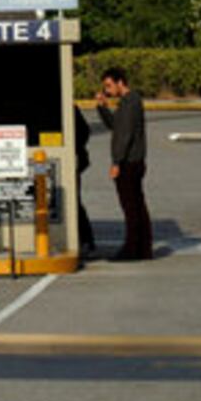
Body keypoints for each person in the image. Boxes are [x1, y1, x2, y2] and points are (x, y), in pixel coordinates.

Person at [95, 66, 153, 261]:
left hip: (128, 163)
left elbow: (124, 136)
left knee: (130, 207)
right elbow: (115, 126)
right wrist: (103, 107)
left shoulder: (129, 103)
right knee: (137, 205)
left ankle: (132, 249)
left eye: (109, 86)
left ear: (121, 83)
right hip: (133, 161)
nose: (108, 91)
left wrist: (116, 162)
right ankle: (143, 248)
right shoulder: (129, 102)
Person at [74, 105, 96, 258]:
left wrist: (72, 148)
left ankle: (86, 240)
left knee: (74, 201)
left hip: (73, 161)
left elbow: (84, 132)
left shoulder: (69, 108)